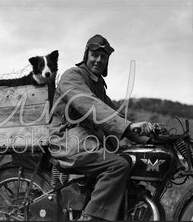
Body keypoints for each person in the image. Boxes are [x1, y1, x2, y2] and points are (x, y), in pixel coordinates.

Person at [49, 34, 152, 221]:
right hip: (68, 140)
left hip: (85, 141)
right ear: (86, 54)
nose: (98, 60)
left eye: (103, 57)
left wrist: (148, 137)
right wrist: (127, 127)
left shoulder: (98, 87)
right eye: (95, 55)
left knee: (130, 157)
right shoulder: (73, 76)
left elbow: (114, 114)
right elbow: (88, 105)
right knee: (118, 165)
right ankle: (90, 217)